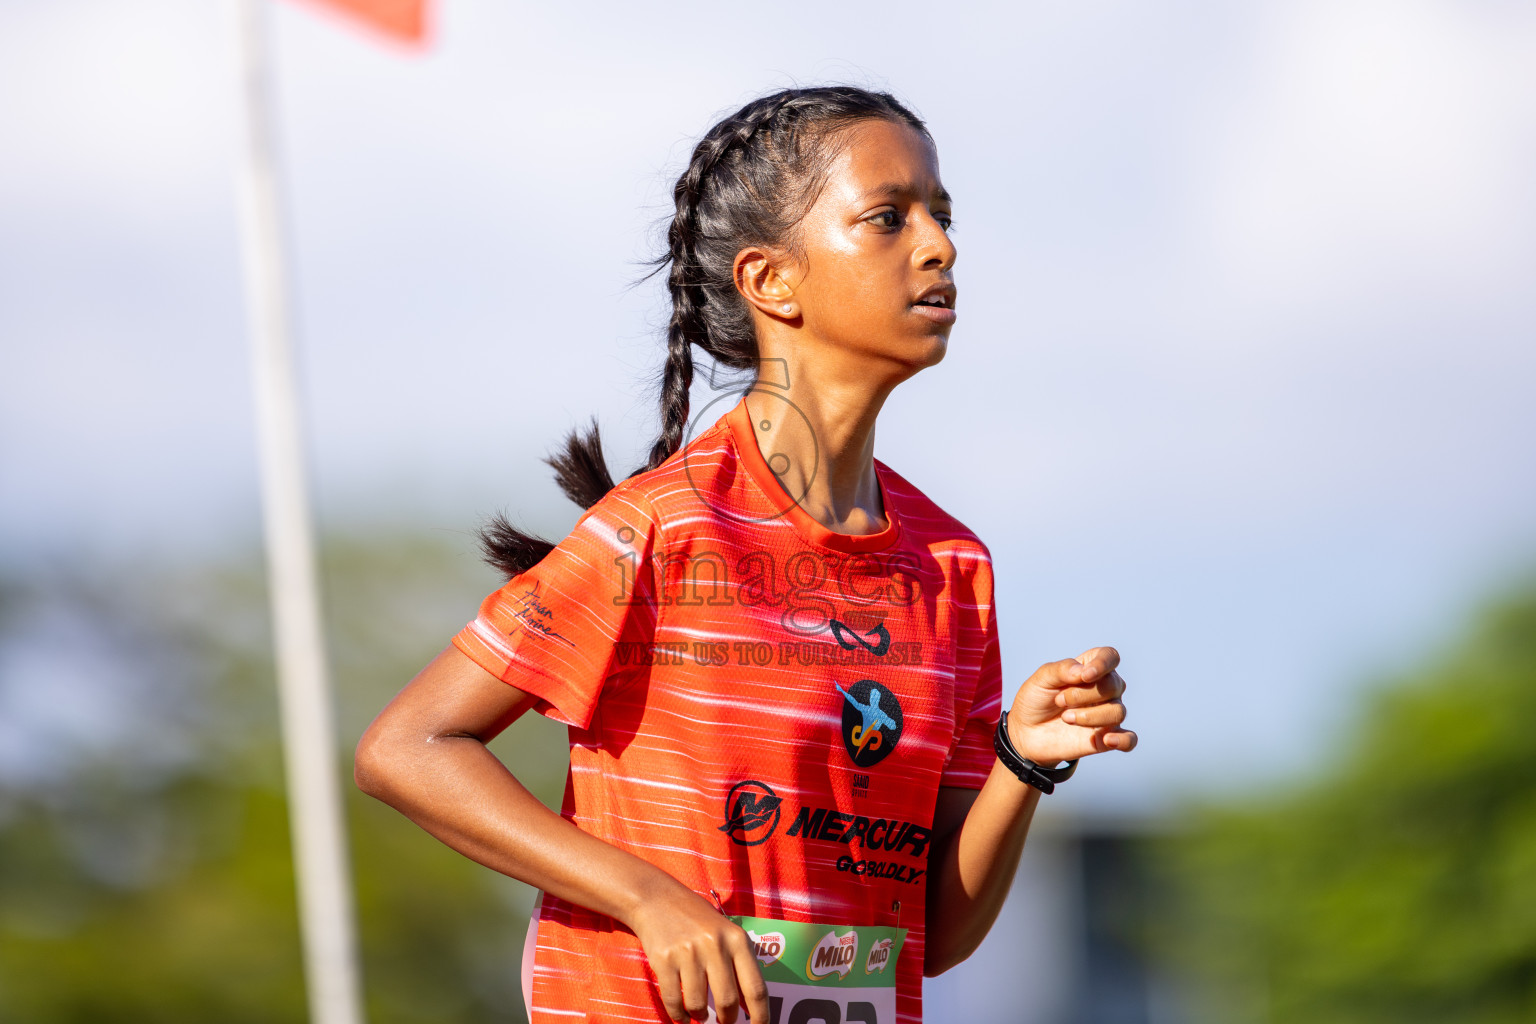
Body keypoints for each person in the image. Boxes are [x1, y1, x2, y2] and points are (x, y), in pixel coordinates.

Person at [354, 85, 1136, 1024]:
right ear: (771, 282)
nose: (939, 245)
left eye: (943, 215)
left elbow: (933, 934)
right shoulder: (663, 529)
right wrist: (646, 896)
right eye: (888, 218)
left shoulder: (952, 566)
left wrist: (1021, 760)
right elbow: (407, 748)